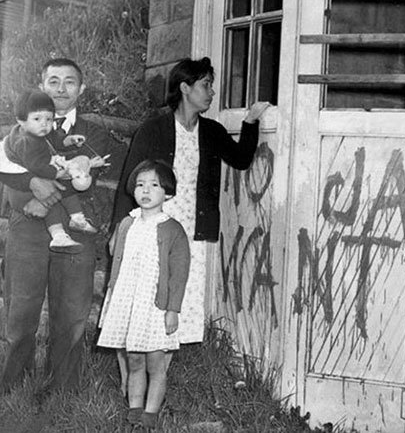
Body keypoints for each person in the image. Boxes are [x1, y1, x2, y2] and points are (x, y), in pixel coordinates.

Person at [112, 56, 269, 348]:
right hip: (152, 233)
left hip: (192, 237)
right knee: (144, 301)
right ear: (185, 88)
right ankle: (133, 380)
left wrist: (250, 121)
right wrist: (119, 231)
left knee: (179, 304)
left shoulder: (212, 132)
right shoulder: (152, 130)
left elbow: (241, 159)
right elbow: (129, 185)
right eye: (206, 85)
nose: (211, 92)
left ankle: (160, 378)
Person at [0, 58, 111, 393]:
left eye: (69, 82)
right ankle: (12, 386)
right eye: (53, 81)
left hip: (75, 230)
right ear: (41, 84)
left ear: (82, 89)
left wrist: (36, 187)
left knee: (72, 314)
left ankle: (61, 390)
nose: (61, 89)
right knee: (21, 308)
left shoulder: (94, 135)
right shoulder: (17, 131)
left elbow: (84, 181)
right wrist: (27, 193)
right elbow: (4, 171)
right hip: (27, 228)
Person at [98, 159, 189, 431]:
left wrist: (172, 309)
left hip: (155, 305)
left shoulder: (173, 229)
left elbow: (179, 274)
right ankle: (135, 408)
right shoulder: (128, 223)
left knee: (155, 362)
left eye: (154, 185)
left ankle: (151, 412)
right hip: (128, 300)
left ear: (168, 193)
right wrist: (113, 297)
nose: (145, 191)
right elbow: (117, 261)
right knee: (134, 358)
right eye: (140, 185)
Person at [2, 89, 98, 253]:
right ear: (21, 121)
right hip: (24, 185)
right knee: (55, 195)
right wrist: (56, 173)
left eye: (49, 119)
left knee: (64, 187)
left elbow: (55, 139)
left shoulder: (40, 131)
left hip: (38, 172)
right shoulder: (25, 141)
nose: (44, 124)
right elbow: (36, 166)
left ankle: (76, 218)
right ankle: (58, 235)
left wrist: (68, 141)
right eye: (37, 118)